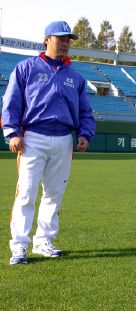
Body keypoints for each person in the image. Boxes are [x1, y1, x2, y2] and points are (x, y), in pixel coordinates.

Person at [1, 21, 96, 265]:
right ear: (47, 40)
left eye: (69, 40)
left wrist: (85, 133)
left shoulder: (75, 78)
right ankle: (20, 245)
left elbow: (85, 111)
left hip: (64, 139)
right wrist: (12, 132)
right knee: (26, 193)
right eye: (61, 38)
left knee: (54, 194)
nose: (65, 43)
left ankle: (44, 241)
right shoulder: (25, 68)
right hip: (32, 137)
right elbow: (11, 103)